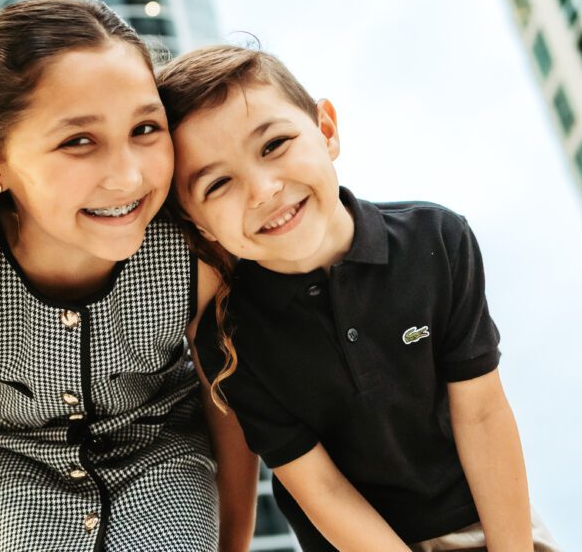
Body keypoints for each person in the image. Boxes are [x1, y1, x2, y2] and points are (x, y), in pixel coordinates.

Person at [0, 0, 257, 552]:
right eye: (78, 141)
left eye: (146, 128)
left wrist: (231, 546)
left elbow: (228, 407)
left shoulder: (195, 248)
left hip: (162, 450)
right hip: (16, 467)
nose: (127, 176)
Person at [155, 45, 560, 551]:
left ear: (326, 130)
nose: (262, 189)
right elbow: (319, 489)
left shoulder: (435, 238)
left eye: (274, 144)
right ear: (196, 221)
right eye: (217, 184)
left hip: (484, 522)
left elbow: (480, 414)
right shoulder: (232, 339)